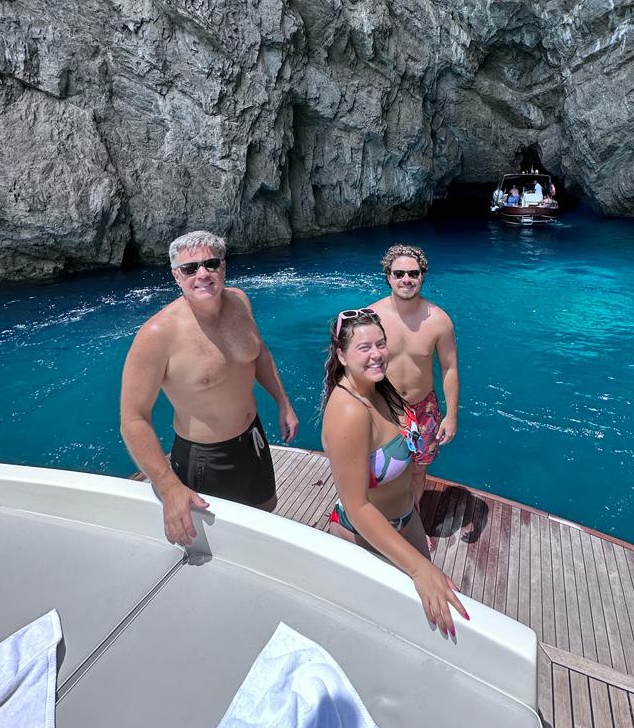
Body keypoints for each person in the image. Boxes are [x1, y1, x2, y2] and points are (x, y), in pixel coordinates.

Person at [120, 229, 299, 546]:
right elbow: (133, 419)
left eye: (211, 264)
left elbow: (258, 352)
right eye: (190, 268)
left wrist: (283, 402)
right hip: (207, 459)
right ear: (177, 276)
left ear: (223, 267)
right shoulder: (158, 334)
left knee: (266, 513)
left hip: (252, 439)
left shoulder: (239, 301)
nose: (202, 274)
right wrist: (169, 487)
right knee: (220, 543)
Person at [321, 308, 469, 637]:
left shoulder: (380, 388)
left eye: (381, 344)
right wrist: (418, 569)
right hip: (365, 536)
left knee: (432, 615)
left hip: (407, 519)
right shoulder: (350, 411)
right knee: (384, 631)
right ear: (342, 356)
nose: (376, 354)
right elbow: (358, 507)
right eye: (364, 347)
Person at [368, 245, 459, 508]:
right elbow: (353, 367)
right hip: (383, 408)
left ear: (422, 276)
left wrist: (451, 416)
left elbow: (449, 368)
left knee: (418, 472)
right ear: (388, 277)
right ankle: (380, 519)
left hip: (424, 409)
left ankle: (412, 519)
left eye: (413, 273)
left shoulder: (439, 320)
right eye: (399, 274)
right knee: (380, 471)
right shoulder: (371, 317)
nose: (406, 279)